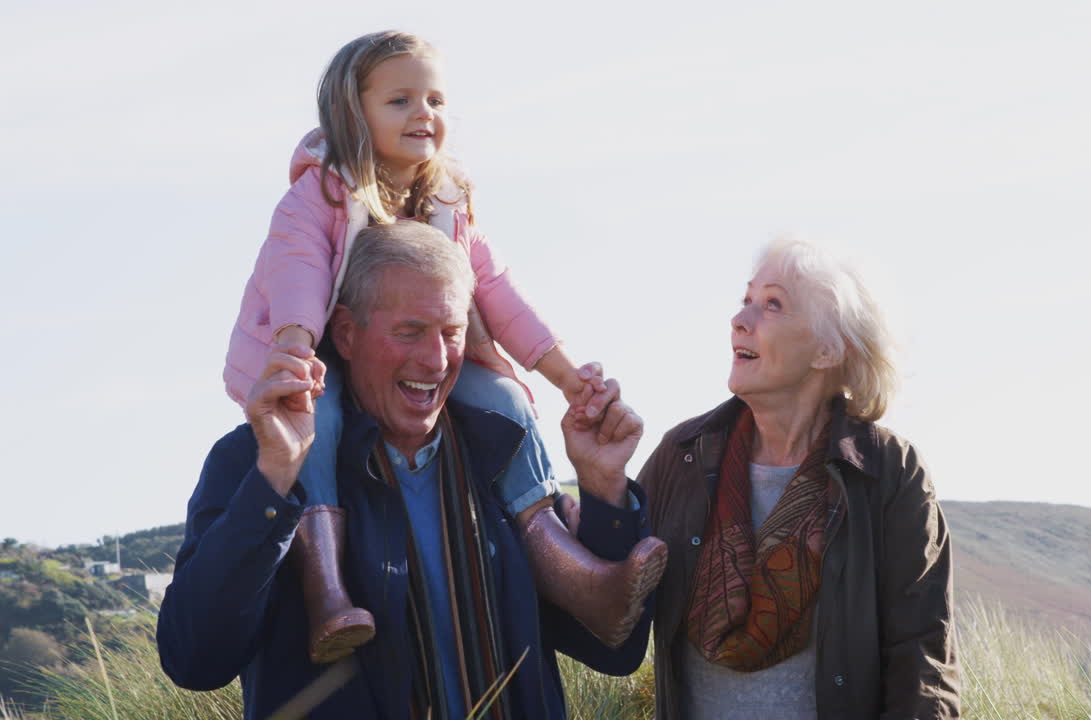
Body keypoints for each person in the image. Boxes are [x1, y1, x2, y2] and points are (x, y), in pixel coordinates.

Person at [222, 30, 664, 661]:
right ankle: (326, 588)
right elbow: (298, 270)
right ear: (355, 112)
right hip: (315, 357)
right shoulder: (319, 193)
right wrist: (293, 342)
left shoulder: (447, 202)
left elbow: (497, 293)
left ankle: (577, 575)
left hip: (419, 367)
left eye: (434, 100)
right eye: (400, 100)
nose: (423, 114)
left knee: (507, 400)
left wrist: (565, 374)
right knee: (316, 423)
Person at [158, 222, 660, 719]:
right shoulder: (258, 461)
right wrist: (270, 481)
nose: (437, 360)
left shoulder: (501, 456)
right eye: (410, 332)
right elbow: (195, 661)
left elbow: (614, 649)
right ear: (347, 335)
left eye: (451, 332)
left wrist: (602, 486)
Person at [633, 237, 960, 719]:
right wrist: (598, 483)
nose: (740, 320)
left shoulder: (889, 472)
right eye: (745, 300)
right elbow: (612, 616)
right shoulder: (682, 456)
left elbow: (924, 663)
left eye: (772, 304)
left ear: (828, 350)